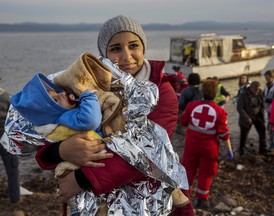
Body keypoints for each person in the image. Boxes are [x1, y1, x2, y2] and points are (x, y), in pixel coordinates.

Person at [3, 15, 194, 215]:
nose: (127, 56)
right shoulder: (87, 87)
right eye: (115, 48)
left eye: (133, 45)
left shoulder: (162, 91)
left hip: (145, 200)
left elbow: (151, 152)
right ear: (103, 53)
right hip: (92, 203)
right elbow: (54, 129)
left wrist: (80, 179)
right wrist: (60, 151)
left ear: (143, 48)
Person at [180, 79, 234, 209]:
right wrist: (230, 150)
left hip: (191, 145)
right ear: (215, 94)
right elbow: (223, 134)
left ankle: (184, 198)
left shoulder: (192, 106)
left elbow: (183, 122)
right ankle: (202, 200)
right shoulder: (219, 112)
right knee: (206, 172)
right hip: (209, 148)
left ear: (202, 92)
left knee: (188, 170)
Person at [0, 88, 24, 216]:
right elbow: (16, 119)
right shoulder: (8, 96)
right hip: (5, 136)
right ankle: (15, 200)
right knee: (12, 170)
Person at [237, 81, 267, 156]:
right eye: (255, 89)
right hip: (247, 116)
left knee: (262, 131)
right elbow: (239, 108)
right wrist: (247, 117)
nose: (257, 91)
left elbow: (262, 104)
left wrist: (262, 114)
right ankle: (241, 149)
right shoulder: (243, 94)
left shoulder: (260, 93)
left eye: (258, 89)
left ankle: (262, 149)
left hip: (258, 115)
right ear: (251, 88)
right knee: (244, 135)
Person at [263, 69, 274, 151]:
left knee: (273, 127)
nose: (266, 79)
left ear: (272, 77)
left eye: (267, 78)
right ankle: (272, 143)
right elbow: (263, 94)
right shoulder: (267, 85)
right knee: (270, 127)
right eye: (265, 78)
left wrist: (267, 99)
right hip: (268, 110)